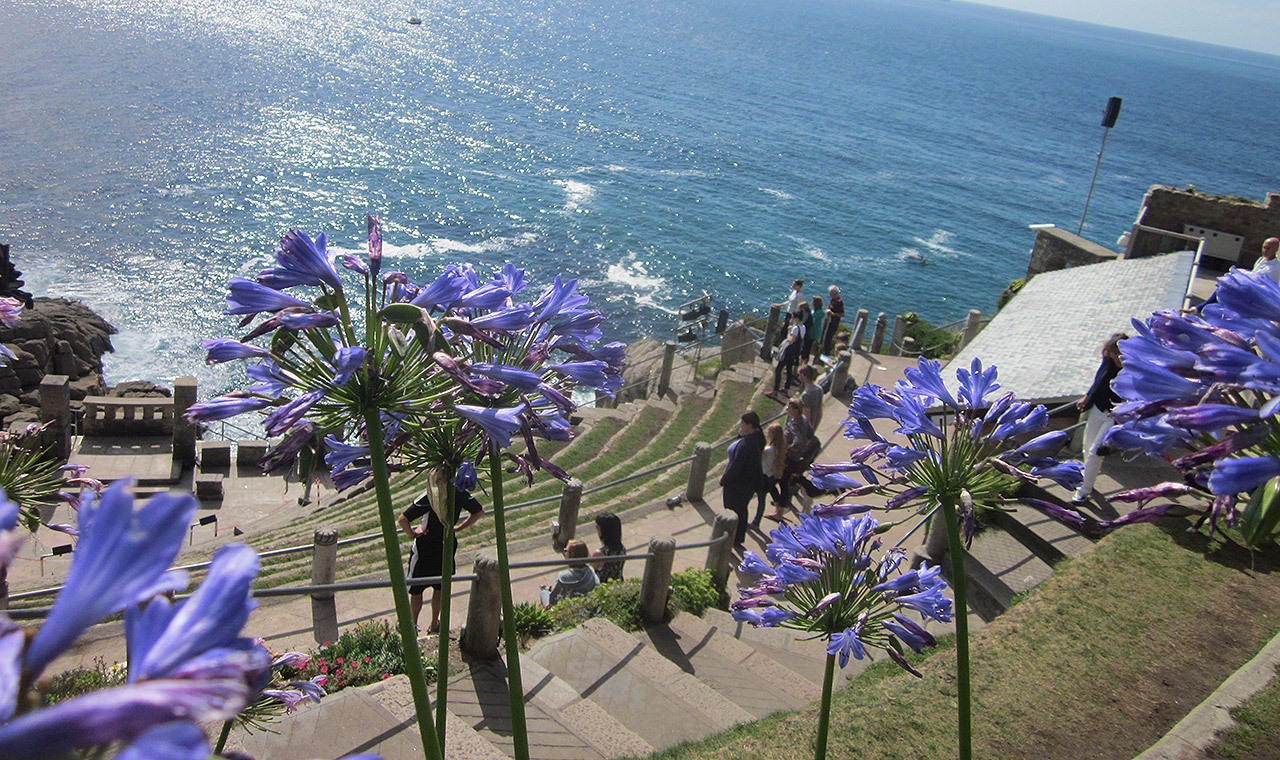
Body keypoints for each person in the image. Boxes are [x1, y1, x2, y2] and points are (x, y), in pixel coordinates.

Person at [398, 484, 485, 633]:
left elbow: (402, 519)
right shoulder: (460, 492)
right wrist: (458, 528)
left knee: (416, 588)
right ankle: (434, 624)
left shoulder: (430, 495)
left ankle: (412, 626)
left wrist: (412, 533)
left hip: (425, 545)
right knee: (439, 588)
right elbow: (479, 512)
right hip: (446, 543)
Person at [1073, 332, 1127, 504]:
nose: (1111, 356)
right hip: (1098, 408)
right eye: (1109, 352)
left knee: (1095, 452)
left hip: (1115, 415)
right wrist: (1087, 397)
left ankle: (1083, 490)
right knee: (1087, 445)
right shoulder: (1109, 361)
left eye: (1114, 353)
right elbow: (1099, 381)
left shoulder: (1132, 367)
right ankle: (1087, 476)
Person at [721, 411, 763, 545]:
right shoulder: (755, 437)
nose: (740, 425)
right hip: (747, 485)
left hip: (738, 485)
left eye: (743, 423)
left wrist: (724, 479)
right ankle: (738, 537)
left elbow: (737, 466)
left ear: (749, 425)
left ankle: (730, 539)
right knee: (742, 510)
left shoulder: (746, 444)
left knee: (732, 511)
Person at [777, 399, 818, 515]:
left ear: (795, 410)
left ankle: (781, 508)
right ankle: (785, 503)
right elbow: (810, 435)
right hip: (799, 457)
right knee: (791, 480)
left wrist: (788, 449)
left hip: (790, 459)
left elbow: (798, 442)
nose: (787, 410)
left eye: (789, 408)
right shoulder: (804, 419)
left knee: (784, 482)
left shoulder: (794, 425)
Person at [545, 540, 600, 605]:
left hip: (568, 609)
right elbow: (598, 586)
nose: (564, 553)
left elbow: (553, 598)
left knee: (544, 593)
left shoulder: (564, 576)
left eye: (565, 551)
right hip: (588, 606)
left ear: (571, 555)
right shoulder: (591, 571)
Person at [769, 312, 806, 397]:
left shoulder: (795, 328)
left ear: (796, 318)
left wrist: (789, 331)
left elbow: (790, 341)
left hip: (789, 351)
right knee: (789, 368)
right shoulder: (803, 327)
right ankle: (786, 389)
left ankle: (775, 391)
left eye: (793, 318)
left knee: (778, 369)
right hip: (795, 351)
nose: (791, 320)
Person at [756, 422, 786, 524]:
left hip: (765, 476)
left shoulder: (768, 450)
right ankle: (778, 511)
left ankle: (756, 521)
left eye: (768, 432)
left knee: (761, 499)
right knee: (773, 490)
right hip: (772, 475)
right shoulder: (781, 448)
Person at [590, 511, 626, 583]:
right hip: (618, 585)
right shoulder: (622, 549)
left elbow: (589, 571)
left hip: (603, 589)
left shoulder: (599, 554)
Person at [798, 365, 823, 431]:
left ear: (803, 375)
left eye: (799, 375)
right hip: (813, 427)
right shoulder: (819, 389)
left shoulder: (806, 395)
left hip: (805, 431)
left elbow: (806, 417)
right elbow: (820, 412)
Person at [822, 285, 844, 356]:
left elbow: (842, 314)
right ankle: (824, 353)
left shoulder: (839, 302)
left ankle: (827, 355)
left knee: (828, 340)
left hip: (833, 323)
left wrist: (833, 314)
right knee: (825, 339)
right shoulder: (833, 300)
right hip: (828, 322)